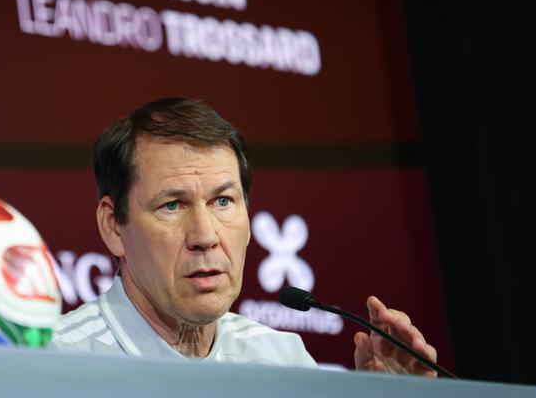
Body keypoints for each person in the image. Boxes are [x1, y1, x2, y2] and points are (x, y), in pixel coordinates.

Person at [52, 98, 438, 375]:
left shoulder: (282, 359)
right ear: (113, 225)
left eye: (223, 201)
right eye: (172, 205)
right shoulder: (57, 362)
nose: (205, 236)